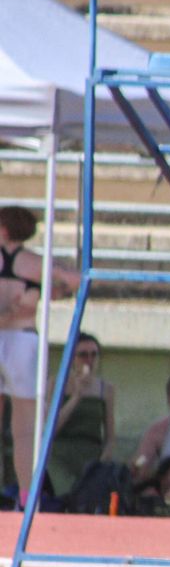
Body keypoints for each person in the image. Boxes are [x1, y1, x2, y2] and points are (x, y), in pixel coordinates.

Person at [0, 205, 78, 504]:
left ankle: (25, 495)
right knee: (23, 430)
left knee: (22, 428)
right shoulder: (35, 263)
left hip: (10, 334)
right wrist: (52, 291)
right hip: (22, 339)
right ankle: (26, 496)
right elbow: (74, 281)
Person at [47, 333, 116, 498]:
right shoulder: (55, 384)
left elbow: (110, 436)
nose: (89, 360)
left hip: (91, 453)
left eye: (94, 355)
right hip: (60, 453)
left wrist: (104, 459)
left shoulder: (106, 389)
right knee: (70, 492)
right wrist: (77, 396)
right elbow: (50, 429)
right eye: (83, 355)